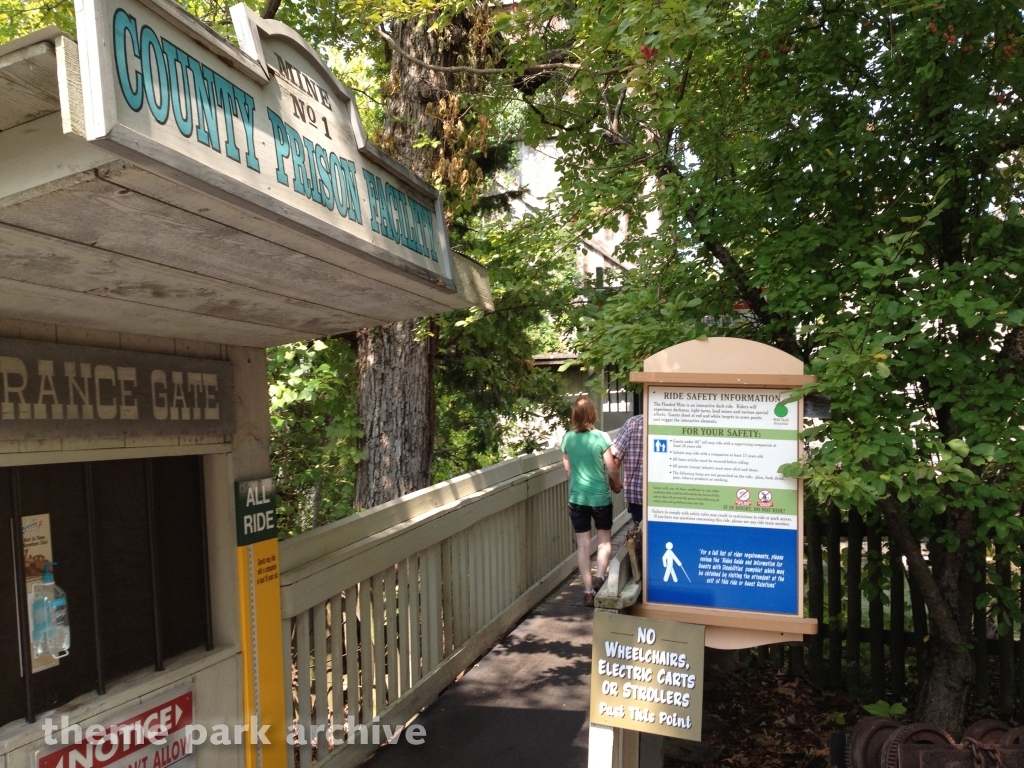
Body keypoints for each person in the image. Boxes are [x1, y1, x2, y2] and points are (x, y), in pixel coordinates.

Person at [561, 396, 621, 607]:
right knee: (604, 539)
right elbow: (611, 468)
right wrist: (616, 483)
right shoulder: (601, 437)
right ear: (592, 414)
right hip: (599, 497)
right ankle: (601, 577)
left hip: (577, 497)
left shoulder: (567, 438)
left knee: (583, 546)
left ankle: (587, 591)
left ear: (574, 416)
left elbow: (567, 469)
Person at [605, 412, 643, 526]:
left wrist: (614, 483)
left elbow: (616, 456)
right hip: (667, 494)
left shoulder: (632, 423)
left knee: (640, 531)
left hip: (637, 492)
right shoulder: (674, 421)